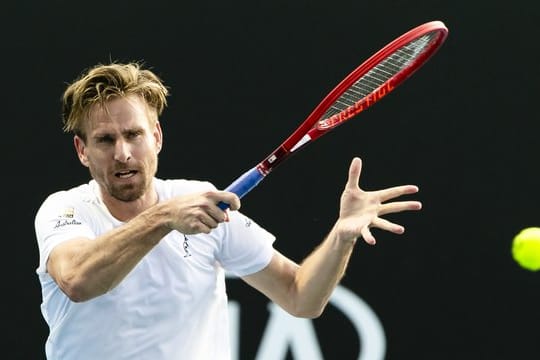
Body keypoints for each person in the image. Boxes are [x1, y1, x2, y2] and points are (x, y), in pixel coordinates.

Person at [34, 61, 422, 360]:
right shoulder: (65, 210)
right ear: (82, 151)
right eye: (105, 140)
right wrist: (164, 217)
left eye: (134, 134)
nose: (123, 153)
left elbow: (300, 296)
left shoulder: (202, 202)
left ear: (156, 137)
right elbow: (78, 282)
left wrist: (340, 237)